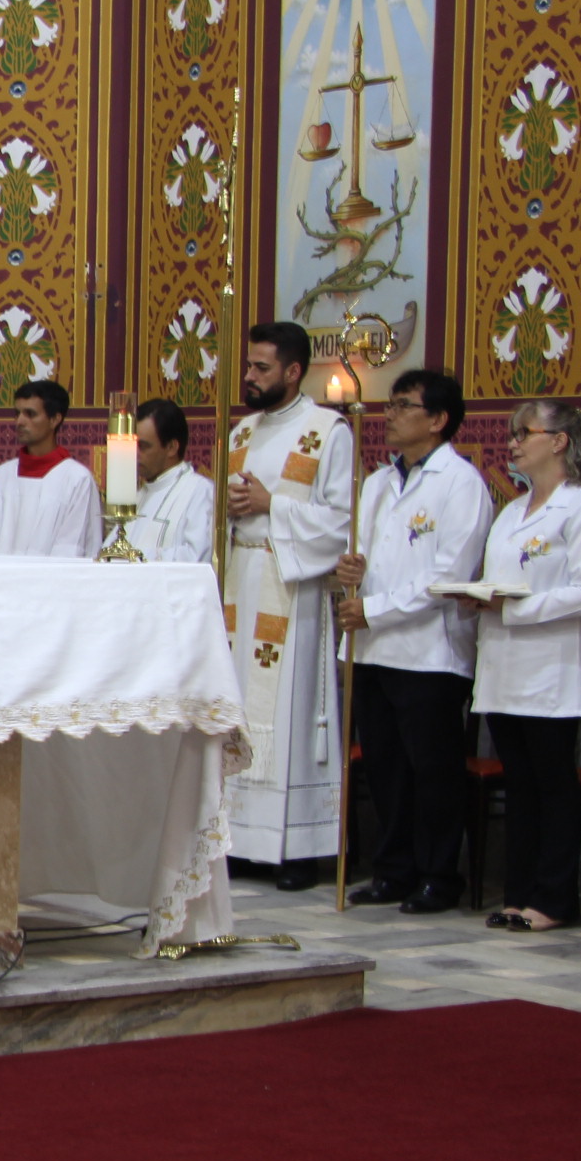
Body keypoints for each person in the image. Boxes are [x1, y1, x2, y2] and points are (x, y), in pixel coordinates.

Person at [332, 370, 492, 914]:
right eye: (391, 404)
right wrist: (350, 569)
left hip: (429, 652)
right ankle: (393, 869)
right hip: (374, 649)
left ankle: (438, 875)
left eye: (403, 405)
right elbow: (360, 557)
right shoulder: (377, 483)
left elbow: (446, 577)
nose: (389, 414)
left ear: (438, 419)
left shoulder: (460, 483)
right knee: (385, 768)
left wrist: (372, 610)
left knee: (433, 771)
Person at [467, 400, 581, 932]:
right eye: (511, 434)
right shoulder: (513, 511)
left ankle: (555, 899)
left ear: (559, 441)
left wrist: (516, 608)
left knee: (553, 784)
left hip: (551, 668)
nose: (512, 443)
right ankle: (519, 893)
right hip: (504, 666)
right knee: (520, 783)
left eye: (524, 433)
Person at [222, 320, 354, 889]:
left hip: (291, 588)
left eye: (262, 368)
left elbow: (342, 521)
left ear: (294, 371)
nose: (250, 377)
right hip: (240, 582)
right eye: (248, 366)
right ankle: (241, 841)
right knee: (237, 710)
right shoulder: (240, 433)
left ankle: (296, 849)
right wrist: (230, 512)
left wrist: (271, 505)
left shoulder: (328, 431)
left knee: (289, 713)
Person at [0, 378, 100, 558]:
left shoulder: (77, 480)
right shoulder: (2, 476)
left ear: (55, 419)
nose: (19, 422)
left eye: (30, 414)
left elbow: (71, 550)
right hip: (0, 582)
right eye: (17, 413)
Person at [129, 398, 213, 564]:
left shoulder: (200, 491)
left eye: (143, 446)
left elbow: (197, 557)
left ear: (171, 447)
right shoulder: (138, 495)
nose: (134, 453)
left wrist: (135, 557)